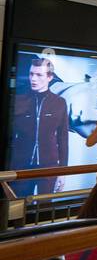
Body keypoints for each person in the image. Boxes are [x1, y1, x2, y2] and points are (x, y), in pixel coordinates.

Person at [10, 55, 69, 197]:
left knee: (44, 207)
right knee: (18, 208)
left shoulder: (59, 102)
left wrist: (63, 171)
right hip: (21, 165)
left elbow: (63, 138)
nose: (34, 79)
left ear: (49, 77)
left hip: (49, 165)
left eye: (39, 75)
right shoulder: (18, 100)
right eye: (31, 74)